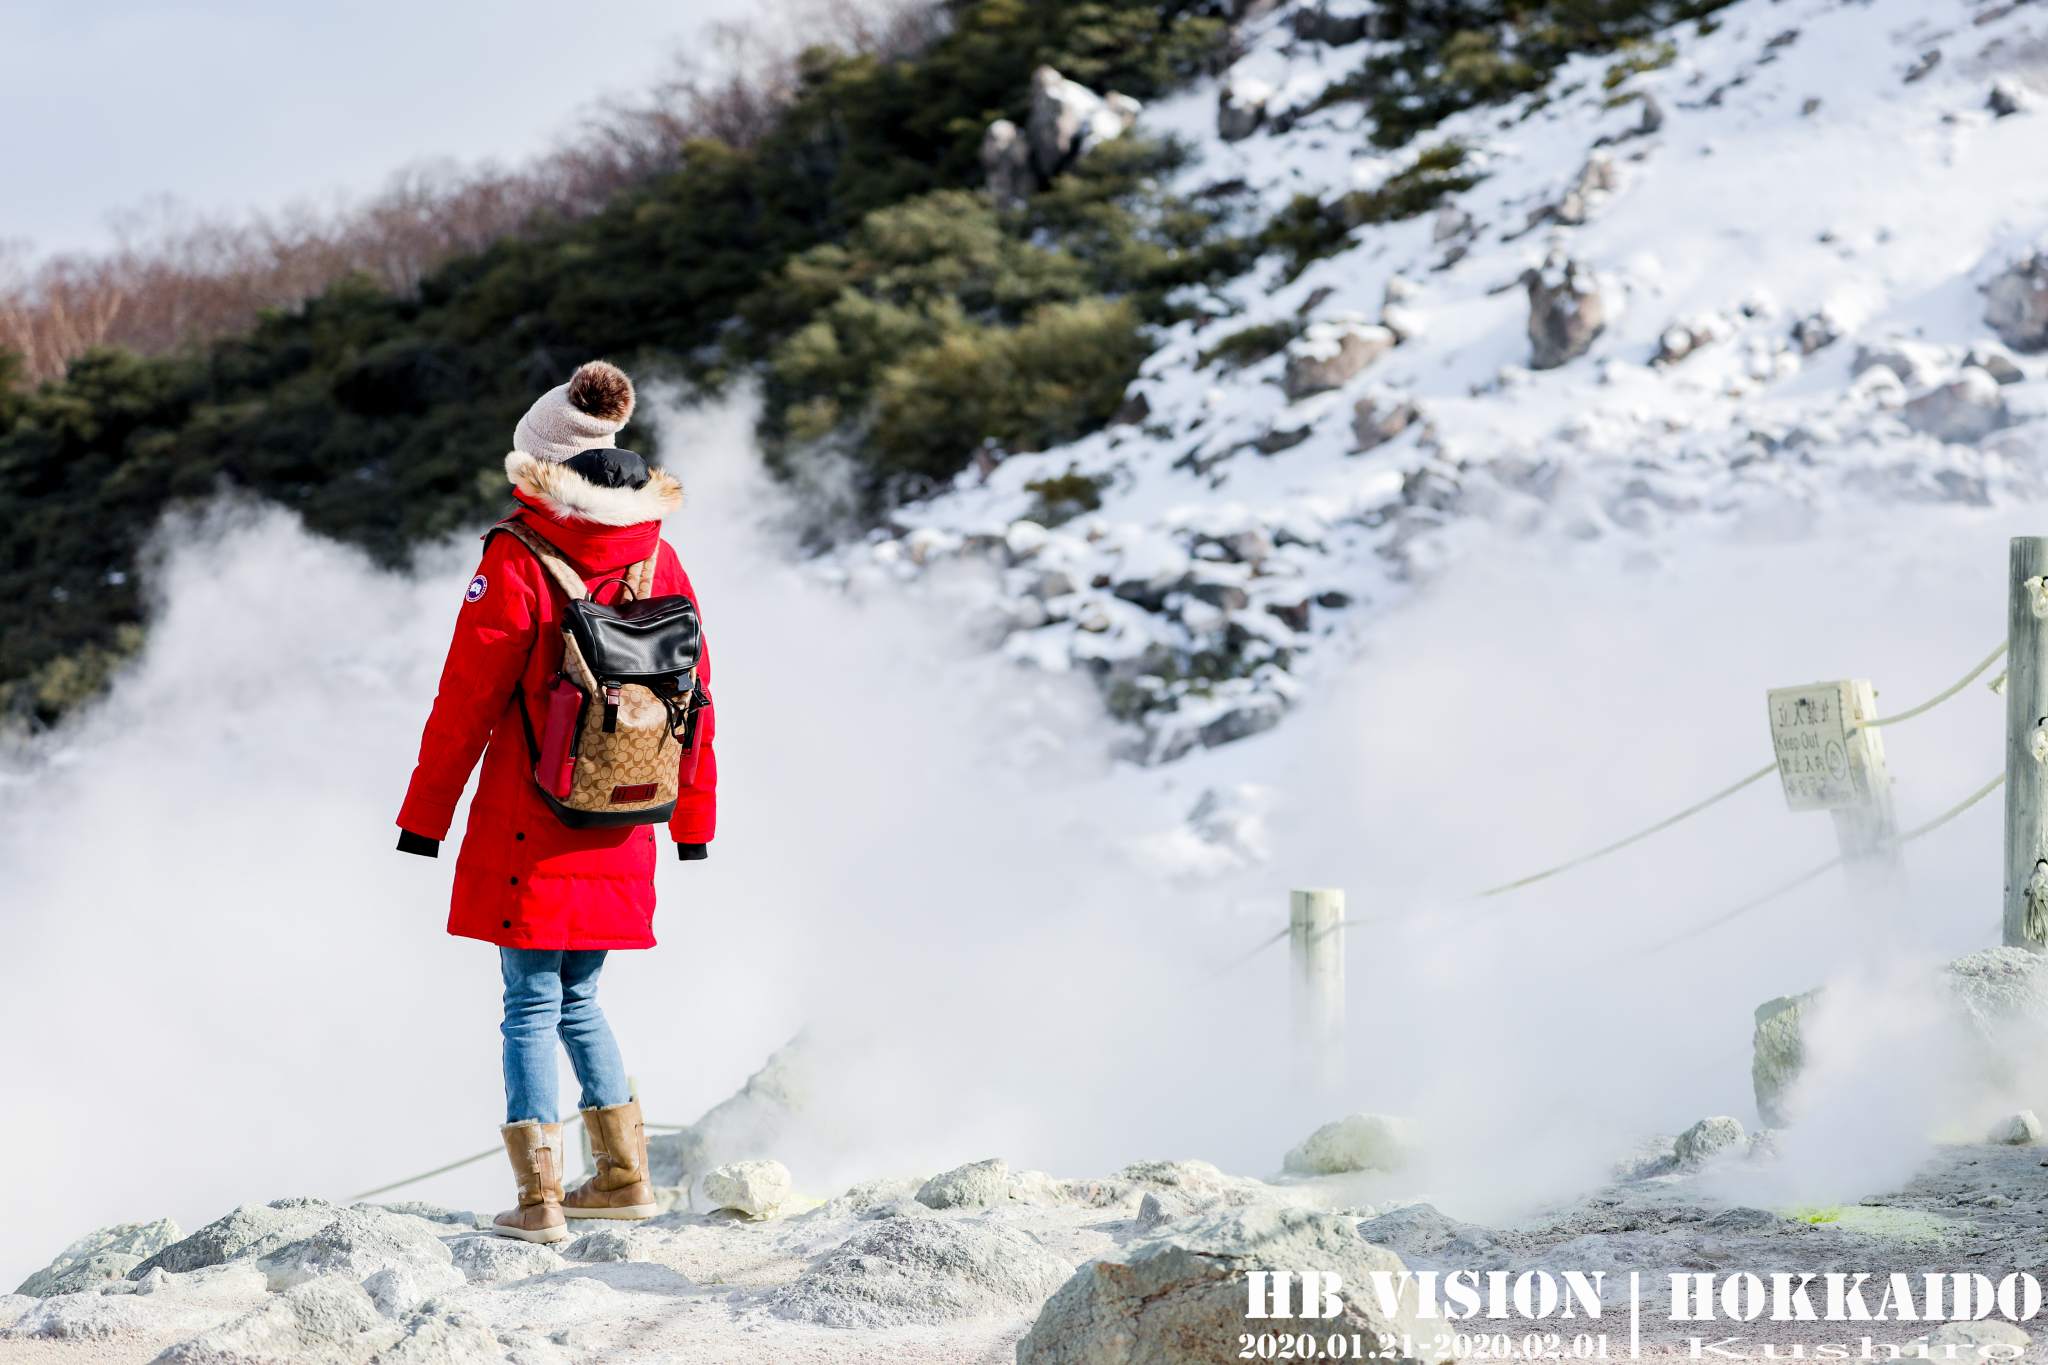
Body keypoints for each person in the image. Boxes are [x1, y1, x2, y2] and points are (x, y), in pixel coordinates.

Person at [393, 361, 716, 1243]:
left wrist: (424, 819)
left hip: (535, 818)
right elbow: (697, 703)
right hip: (625, 814)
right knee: (583, 998)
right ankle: (622, 1175)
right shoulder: (659, 553)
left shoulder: (517, 556)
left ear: (539, 465)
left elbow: (465, 701)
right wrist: (690, 822)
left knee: (531, 1003)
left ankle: (539, 1200)